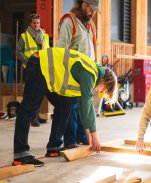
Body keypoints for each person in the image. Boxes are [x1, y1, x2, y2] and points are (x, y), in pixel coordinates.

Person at [12, 48, 118, 167]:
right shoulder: (89, 73)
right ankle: (20, 154)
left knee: (65, 105)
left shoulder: (92, 74)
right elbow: (87, 104)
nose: (99, 91)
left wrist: (88, 132)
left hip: (48, 73)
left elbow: (83, 107)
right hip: (40, 64)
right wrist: (94, 135)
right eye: (103, 89)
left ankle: (54, 145)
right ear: (105, 81)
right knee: (29, 108)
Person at [56, 0, 100, 149]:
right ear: (83, 4)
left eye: (95, 10)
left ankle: (83, 136)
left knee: (85, 105)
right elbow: (60, 49)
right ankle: (70, 140)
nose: (93, 12)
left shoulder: (90, 25)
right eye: (91, 9)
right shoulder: (70, 21)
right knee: (72, 107)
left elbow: (92, 50)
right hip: (72, 72)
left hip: (87, 74)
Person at [16, 13, 50, 127]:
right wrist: (27, 62)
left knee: (40, 93)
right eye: (34, 23)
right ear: (30, 24)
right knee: (31, 94)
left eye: (38, 23)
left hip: (43, 68)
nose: (36, 25)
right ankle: (32, 117)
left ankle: (36, 115)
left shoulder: (44, 36)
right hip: (31, 68)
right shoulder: (24, 36)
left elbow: (48, 51)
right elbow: (18, 52)